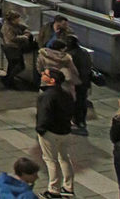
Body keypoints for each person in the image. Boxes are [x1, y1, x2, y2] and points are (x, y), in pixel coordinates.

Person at [35, 68, 74, 198]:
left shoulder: (47, 96)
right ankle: (68, 187)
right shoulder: (66, 93)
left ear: (52, 80)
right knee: (64, 158)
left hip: (50, 132)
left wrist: (40, 129)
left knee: (51, 160)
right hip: (65, 130)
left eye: (45, 74)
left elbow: (44, 114)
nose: (42, 74)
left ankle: (54, 190)